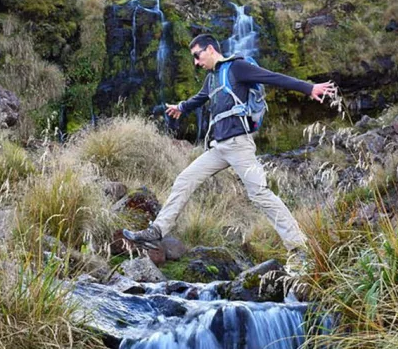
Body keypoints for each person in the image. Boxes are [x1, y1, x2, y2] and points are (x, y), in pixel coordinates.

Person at [123, 34, 337, 274]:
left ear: (211, 49)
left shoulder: (237, 67)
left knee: (259, 194)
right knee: (185, 179)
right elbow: (200, 99)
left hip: (239, 145)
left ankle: (299, 248)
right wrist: (181, 108)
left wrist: (309, 88)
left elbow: (272, 77)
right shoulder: (211, 79)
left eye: (197, 55)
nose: (195, 62)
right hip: (219, 148)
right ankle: (156, 232)